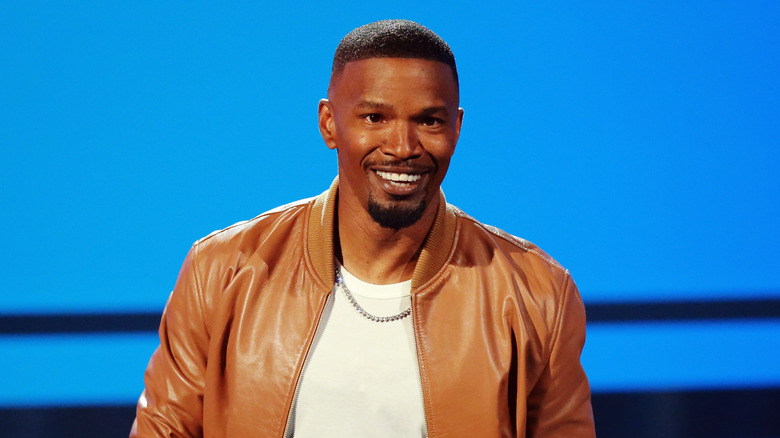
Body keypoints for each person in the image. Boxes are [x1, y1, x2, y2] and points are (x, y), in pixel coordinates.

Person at [131, 19, 595, 437]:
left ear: (456, 128)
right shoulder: (222, 270)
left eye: (428, 121)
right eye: (375, 118)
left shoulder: (538, 295)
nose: (403, 146)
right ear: (329, 124)